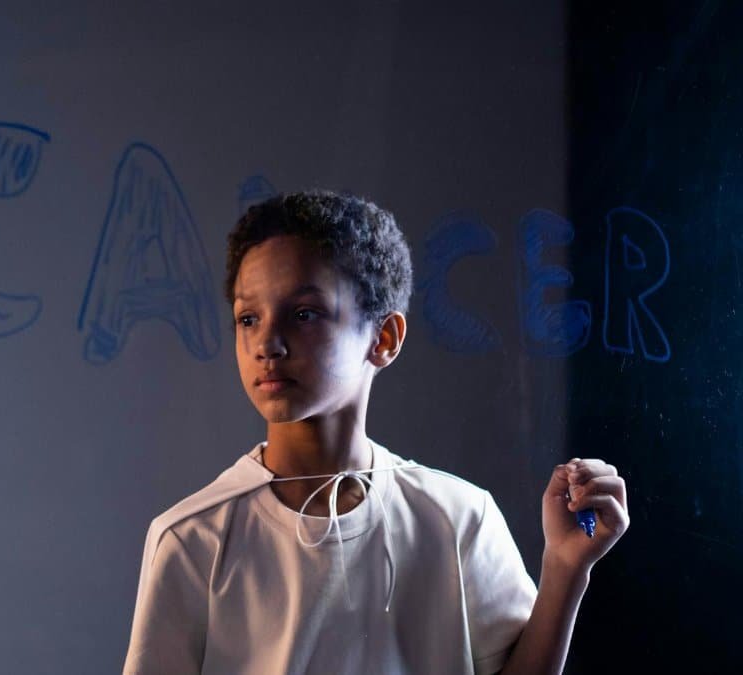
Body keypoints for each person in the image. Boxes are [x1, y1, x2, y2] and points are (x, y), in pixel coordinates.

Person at [122, 190, 629, 674]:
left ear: (383, 338)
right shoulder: (192, 539)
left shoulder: (457, 519)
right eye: (248, 317)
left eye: (303, 313)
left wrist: (565, 570)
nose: (267, 343)